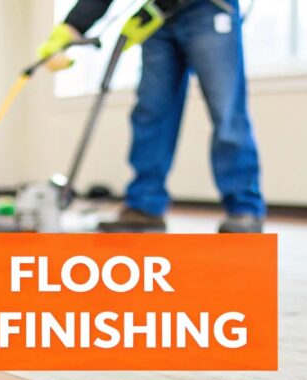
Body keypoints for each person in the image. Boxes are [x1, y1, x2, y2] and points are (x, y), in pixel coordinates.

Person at [38, 0, 265, 233]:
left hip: (210, 8)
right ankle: (144, 206)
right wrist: (71, 27)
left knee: (226, 111)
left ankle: (244, 208)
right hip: (159, 16)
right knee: (151, 112)